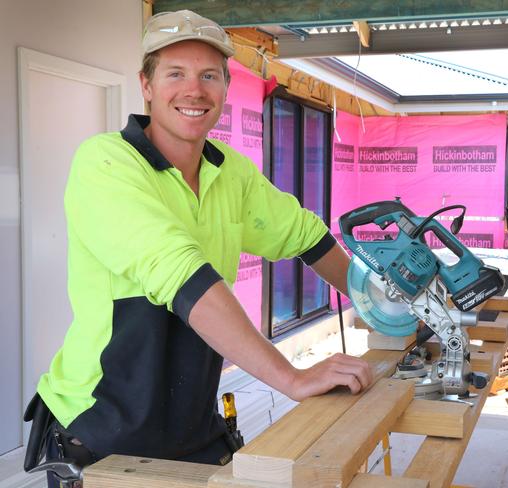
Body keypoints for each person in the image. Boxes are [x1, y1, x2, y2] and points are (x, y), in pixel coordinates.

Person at [24, 10, 371, 486]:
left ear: (226, 89)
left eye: (209, 75)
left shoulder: (230, 171)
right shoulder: (105, 162)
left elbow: (306, 235)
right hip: (102, 424)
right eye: (175, 74)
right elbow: (179, 273)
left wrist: (376, 304)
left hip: (189, 421)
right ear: (146, 86)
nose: (194, 90)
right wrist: (290, 377)